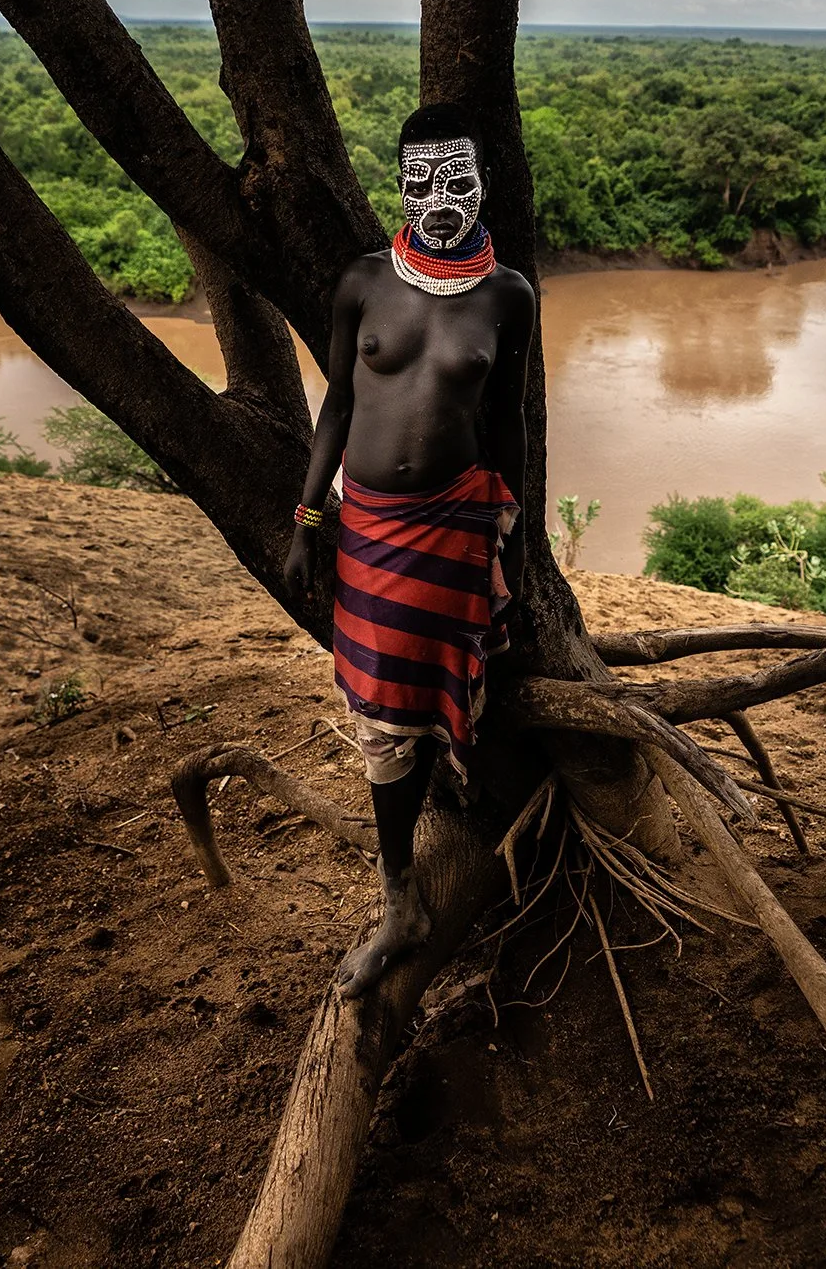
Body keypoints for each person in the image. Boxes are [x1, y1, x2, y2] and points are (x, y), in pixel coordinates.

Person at [283, 103, 538, 996]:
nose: (439, 198)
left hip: (459, 523)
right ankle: (401, 901)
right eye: (422, 179)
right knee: (384, 716)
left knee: (441, 692)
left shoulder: (509, 294)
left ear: (485, 183)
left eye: (458, 179)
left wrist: (520, 532)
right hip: (370, 528)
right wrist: (309, 520)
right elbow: (338, 409)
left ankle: (452, 853)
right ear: (397, 181)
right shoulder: (361, 282)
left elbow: (507, 421)